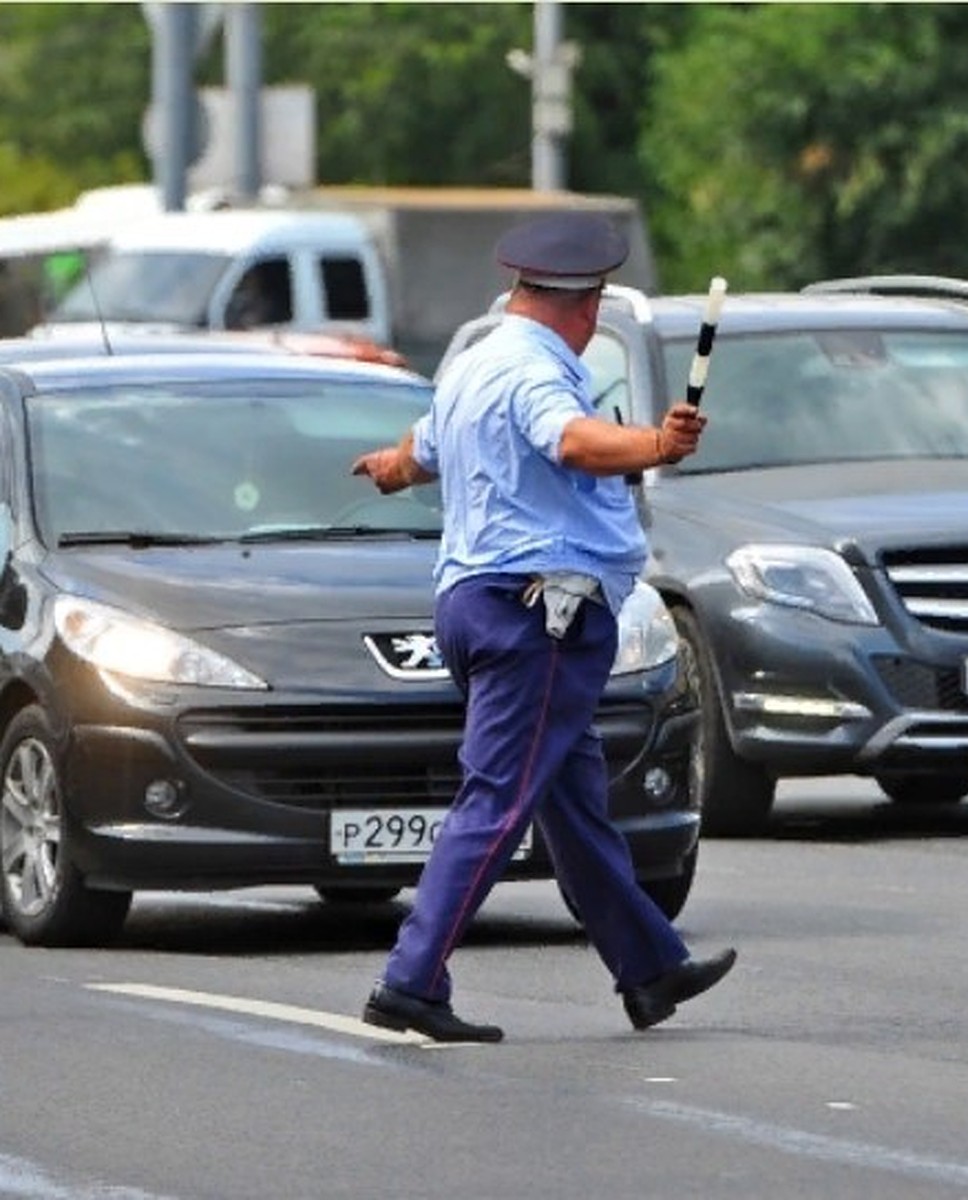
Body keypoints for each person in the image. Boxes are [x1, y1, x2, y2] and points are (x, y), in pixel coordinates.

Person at [350, 211, 736, 1043]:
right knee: (496, 800)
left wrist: (388, 469)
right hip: (541, 617)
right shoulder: (539, 374)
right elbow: (571, 441)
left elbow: (418, 453)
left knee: (572, 802)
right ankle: (410, 980)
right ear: (586, 304)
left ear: (519, 289)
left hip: (478, 605)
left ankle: (650, 966)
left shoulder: (473, 362)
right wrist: (654, 443)